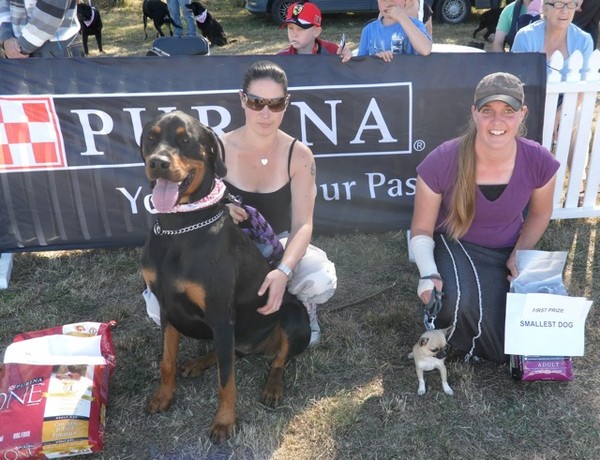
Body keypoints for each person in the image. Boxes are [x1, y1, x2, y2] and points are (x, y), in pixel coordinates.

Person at [409, 72, 560, 363]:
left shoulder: (539, 160)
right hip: (455, 242)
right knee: (457, 303)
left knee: (521, 321)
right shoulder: (442, 160)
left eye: (508, 111)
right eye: (488, 110)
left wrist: (520, 252)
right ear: (474, 113)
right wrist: (428, 274)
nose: (497, 121)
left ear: (523, 114)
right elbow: (421, 227)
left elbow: (540, 213)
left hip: (506, 249)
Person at [221, 60, 337, 347]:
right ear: (242, 99)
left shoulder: (299, 155)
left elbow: (303, 224)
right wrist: (218, 211)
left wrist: (284, 271)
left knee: (320, 277)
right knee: (159, 307)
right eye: (256, 102)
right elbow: (191, 208)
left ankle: (303, 305)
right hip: (225, 246)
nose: (265, 113)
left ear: (286, 103)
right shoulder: (218, 147)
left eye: (275, 104)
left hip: (279, 243)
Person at [512, 0, 594, 79]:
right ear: (544, 9)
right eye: (558, 4)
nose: (565, 11)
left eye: (571, 4)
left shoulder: (584, 41)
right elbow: (515, 81)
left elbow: (584, 87)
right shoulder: (526, 37)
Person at [0, 0, 84, 58]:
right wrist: (6, 36)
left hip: (57, 48)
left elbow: (53, 9)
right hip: (16, 49)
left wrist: (19, 48)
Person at [357, 0, 432, 61]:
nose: (388, 3)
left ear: (405, 1)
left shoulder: (416, 25)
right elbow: (361, 63)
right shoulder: (369, 30)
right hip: (379, 77)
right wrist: (376, 59)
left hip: (407, 77)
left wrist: (403, 18)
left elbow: (425, 49)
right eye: (383, 0)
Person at [277, 1, 352, 62]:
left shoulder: (333, 52)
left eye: (300, 29)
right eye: (290, 28)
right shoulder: (281, 58)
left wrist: (347, 57)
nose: (294, 34)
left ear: (316, 32)